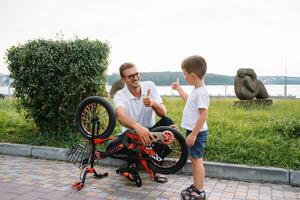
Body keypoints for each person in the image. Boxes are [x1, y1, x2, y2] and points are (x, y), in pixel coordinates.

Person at [112, 62, 174, 183]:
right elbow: (120, 115)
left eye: (137, 74)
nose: (135, 77)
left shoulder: (150, 86)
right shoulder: (120, 95)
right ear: (123, 79)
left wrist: (153, 103)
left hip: (151, 133)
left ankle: (157, 167)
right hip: (132, 135)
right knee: (112, 147)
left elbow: (163, 113)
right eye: (131, 76)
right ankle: (131, 164)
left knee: (167, 121)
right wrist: (137, 126)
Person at [171, 55, 209, 200]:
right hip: (194, 132)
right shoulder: (196, 90)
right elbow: (189, 102)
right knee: (194, 159)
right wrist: (179, 89)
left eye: (184, 74)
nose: (184, 77)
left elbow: (203, 115)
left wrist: (193, 134)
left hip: (198, 133)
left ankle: (199, 191)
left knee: (197, 160)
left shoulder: (201, 92)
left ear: (192, 75)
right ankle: (196, 186)